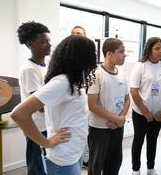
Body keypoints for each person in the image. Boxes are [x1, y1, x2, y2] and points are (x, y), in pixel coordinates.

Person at [11, 35, 97, 175]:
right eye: (92, 52)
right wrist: (46, 142)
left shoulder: (74, 81)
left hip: (74, 152)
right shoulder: (61, 82)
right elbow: (19, 113)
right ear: (81, 56)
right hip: (63, 158)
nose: (94, 56)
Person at [130, 37, 161, 175]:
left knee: (152, 140)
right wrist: (145, 112)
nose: (160, 51)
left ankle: (150, 167)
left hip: (158, 114)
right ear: (149, 49)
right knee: (138, 140)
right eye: (157, 48)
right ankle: (135, 169)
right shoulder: (140, 66)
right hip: (140, 112)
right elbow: (133, 91)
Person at [87, 38, 130, 175]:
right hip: (99, 129)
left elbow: (127, 99)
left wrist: (120, 119)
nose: (125, 55)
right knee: (96, 166)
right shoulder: (96, 74)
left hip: (117, 128)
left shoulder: (122, 74)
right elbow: (92, 105)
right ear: (109, 54)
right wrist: (116, 119)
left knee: (114, 163)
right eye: (121, 52)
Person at [17, 21, 51, 175]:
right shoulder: (29, 69)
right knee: (36, 167)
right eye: (43, 42)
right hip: (36, 127)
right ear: (31, 44)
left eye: (49, 41)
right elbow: (40, 106)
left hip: (47, 125)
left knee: (46, 166)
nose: (48, 44)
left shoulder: (46, 66)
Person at [71, 25, 89, 169]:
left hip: (87, 101)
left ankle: (85, 159)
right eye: (75, 33)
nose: (78, 35)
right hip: (72, 103)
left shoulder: (88, 58)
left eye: (81, 34)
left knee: (85, 132)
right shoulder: (66, 58)